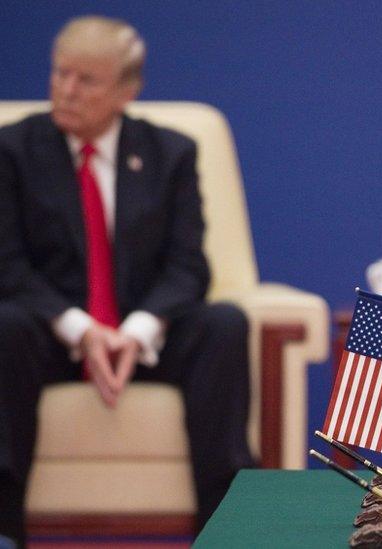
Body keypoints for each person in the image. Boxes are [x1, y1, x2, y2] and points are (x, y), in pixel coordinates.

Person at [0, 16, 253, 546]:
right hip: (48, 334)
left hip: (143, 337)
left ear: (126, 90)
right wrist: (81, 330)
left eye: (86, 79)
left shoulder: (171, 153)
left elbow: (189, 267)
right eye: (60, 73)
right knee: (4, 324)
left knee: (224, 324)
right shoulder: (14, 150)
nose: (66, 90)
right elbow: (8, 263)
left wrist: (135, 332)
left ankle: (228, 531)